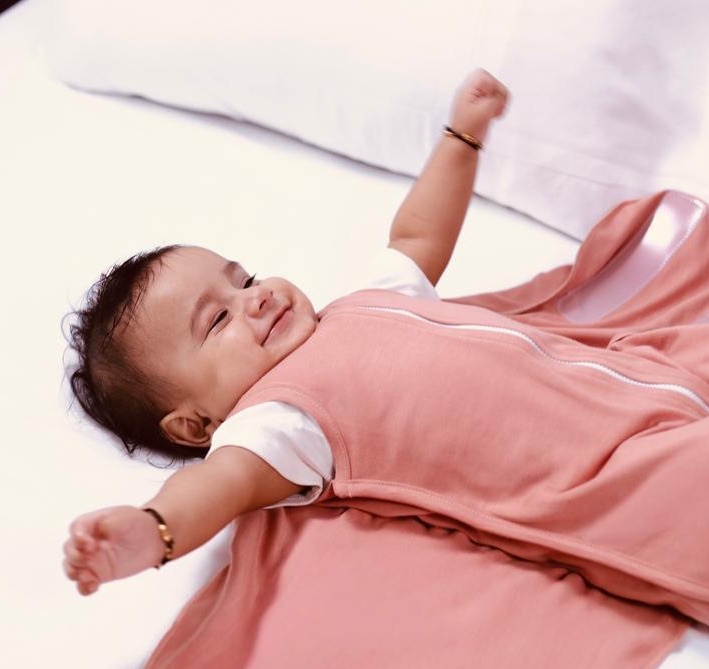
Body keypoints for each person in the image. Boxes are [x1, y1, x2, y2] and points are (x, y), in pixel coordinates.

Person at [61, 68, 511, 596]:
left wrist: (463, 135)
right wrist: (153, 528)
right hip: (526, 464)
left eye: (244, 279)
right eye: (219, 319)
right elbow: (214, 486)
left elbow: (417, 235)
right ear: (195, 425)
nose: (256, 296)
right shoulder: (277, 423)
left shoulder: (357, 306)